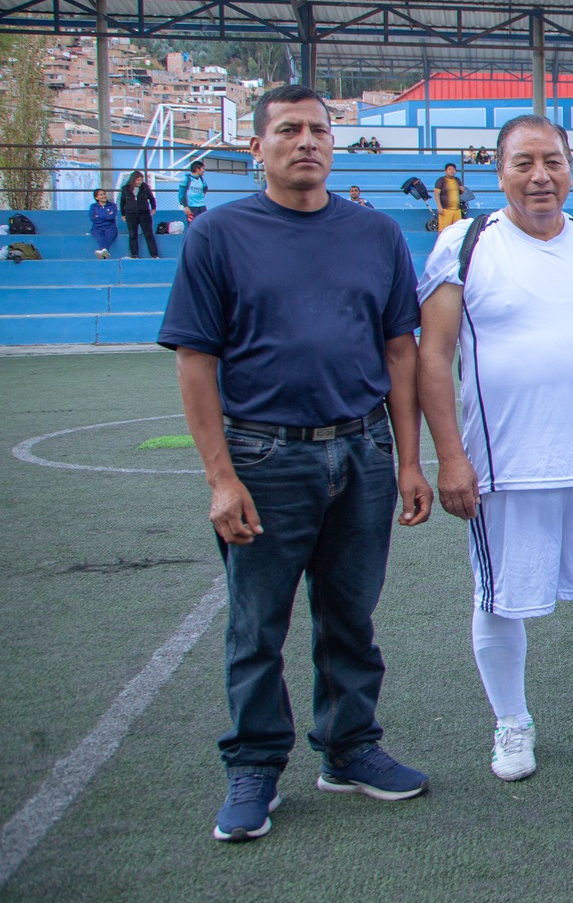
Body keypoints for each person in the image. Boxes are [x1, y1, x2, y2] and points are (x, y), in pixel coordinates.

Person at [158, 84, 434, 844]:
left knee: (351, 612)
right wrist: (221, 476)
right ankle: (254, 764)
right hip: (264, 452)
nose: (305, 140)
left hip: (361, 447)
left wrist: (409, 460)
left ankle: (349, 749)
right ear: (257, 147)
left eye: (317, 128)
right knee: (257, 622)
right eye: (287, 129)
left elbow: (399, 350)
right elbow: (194, 359)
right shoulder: (218, 234)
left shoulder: (375, 234)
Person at [417, 116, 573, 782]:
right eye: (524, 162)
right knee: (500, 597)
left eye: (553, 162)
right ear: (498, 172)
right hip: (505, 466)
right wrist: (449, 454)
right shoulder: (465, 243)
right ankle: (512, 723)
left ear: (570, 167)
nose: (540, 176)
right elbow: (435, 354)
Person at [120, 169, 158, 258]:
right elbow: (122, 202)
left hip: (144, 213)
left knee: (148, 234)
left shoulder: (145, 187)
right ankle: (134, 254)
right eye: (138, 180)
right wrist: (123, 214)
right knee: (133, 234)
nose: (140, 182)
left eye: (141, 180)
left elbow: (152, 198)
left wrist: (153, 207)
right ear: (133, 180)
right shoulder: (126, 189)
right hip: (131, 214)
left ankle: (154, 254)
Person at [88, 188, 118, 259]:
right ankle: (104, 252)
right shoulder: (93, 206)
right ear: (96, 197)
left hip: (110, 227)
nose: (104, 196)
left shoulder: (113, 205)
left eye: (104, 194)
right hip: (97, 227)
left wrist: (99, 216)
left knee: (109, 236)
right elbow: (93, 218)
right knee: (100, 237)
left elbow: (112, 217)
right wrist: (106, 215)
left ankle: (103, 252)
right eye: (101, 195)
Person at [434, 163, 464, 232]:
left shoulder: (457, 180)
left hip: (457, 210)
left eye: (453, 169)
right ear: (445, 171)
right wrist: (439, 207)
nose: (452, 171)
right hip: (446, 210)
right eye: (450, 169)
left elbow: (460, 193)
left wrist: (462, 190)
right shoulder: (441, 180)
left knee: (457, 231)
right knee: (443, 231)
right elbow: (436, 194)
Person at [178, 159, 208, 224]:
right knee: (192, 225)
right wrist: (186, 206)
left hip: (202, 206)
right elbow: (181, 194)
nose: (204, 171)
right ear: (197, 169)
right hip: (191, 207)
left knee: (204, 224)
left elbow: (205, 189)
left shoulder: (202, 179)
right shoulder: (186, 178)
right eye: (203, 169)